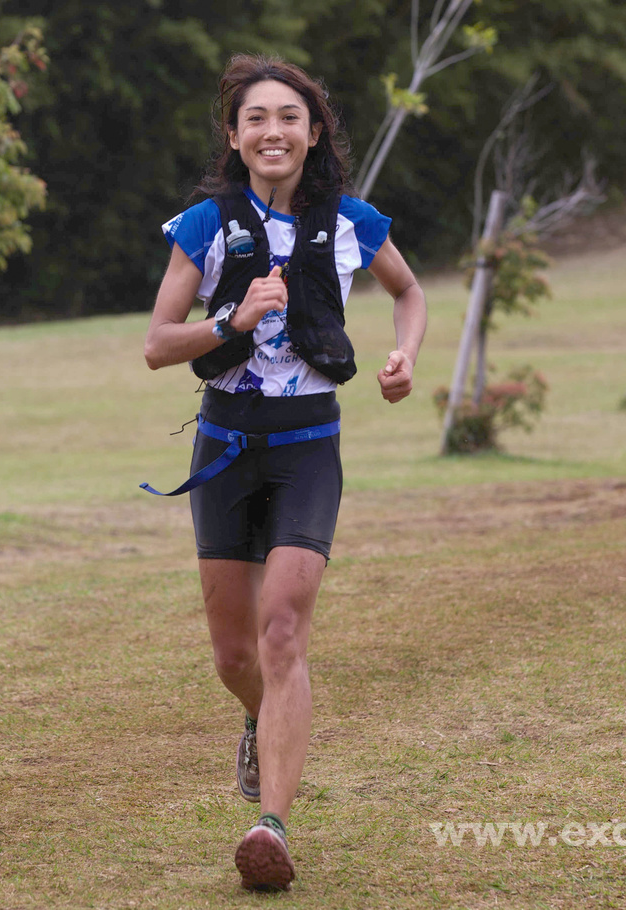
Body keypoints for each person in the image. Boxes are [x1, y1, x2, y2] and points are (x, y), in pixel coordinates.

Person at [142, 54, 426, 892]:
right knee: (235, 654)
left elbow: (409, 292)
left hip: (308, 447)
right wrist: (231, 319)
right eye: (256, 118)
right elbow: (158, 344)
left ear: (313, 134)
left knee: (282, 633)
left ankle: (271, 823)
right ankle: (264, 724)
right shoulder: (203, 223)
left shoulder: (353, 222)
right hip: (225, 447)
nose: (274, 130)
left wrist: (405, 354)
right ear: (234, 136)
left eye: (290, 118)